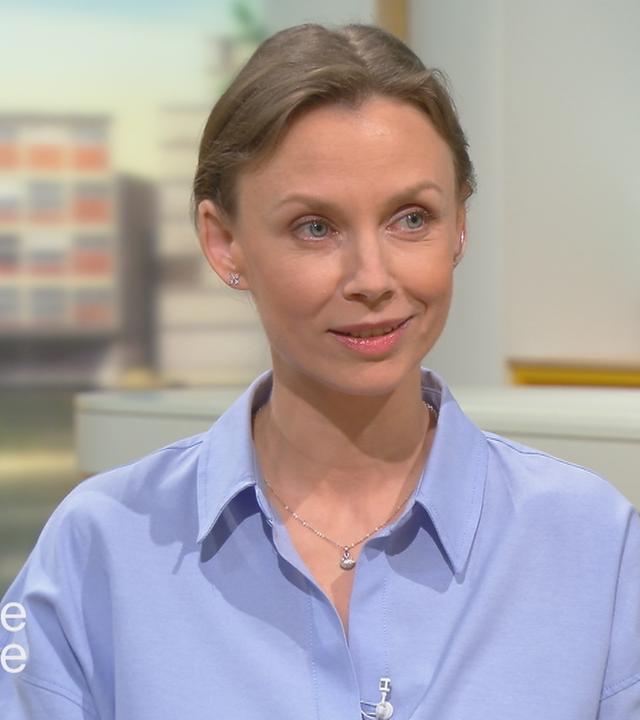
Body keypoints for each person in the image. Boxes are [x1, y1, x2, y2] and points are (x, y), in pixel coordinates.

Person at [1, 22, 639, 719]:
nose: (372, 278)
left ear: (459, 226)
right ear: (224, 241)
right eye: (315, 227)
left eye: (411, 218)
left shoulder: (594, 545)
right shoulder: (101, 544)